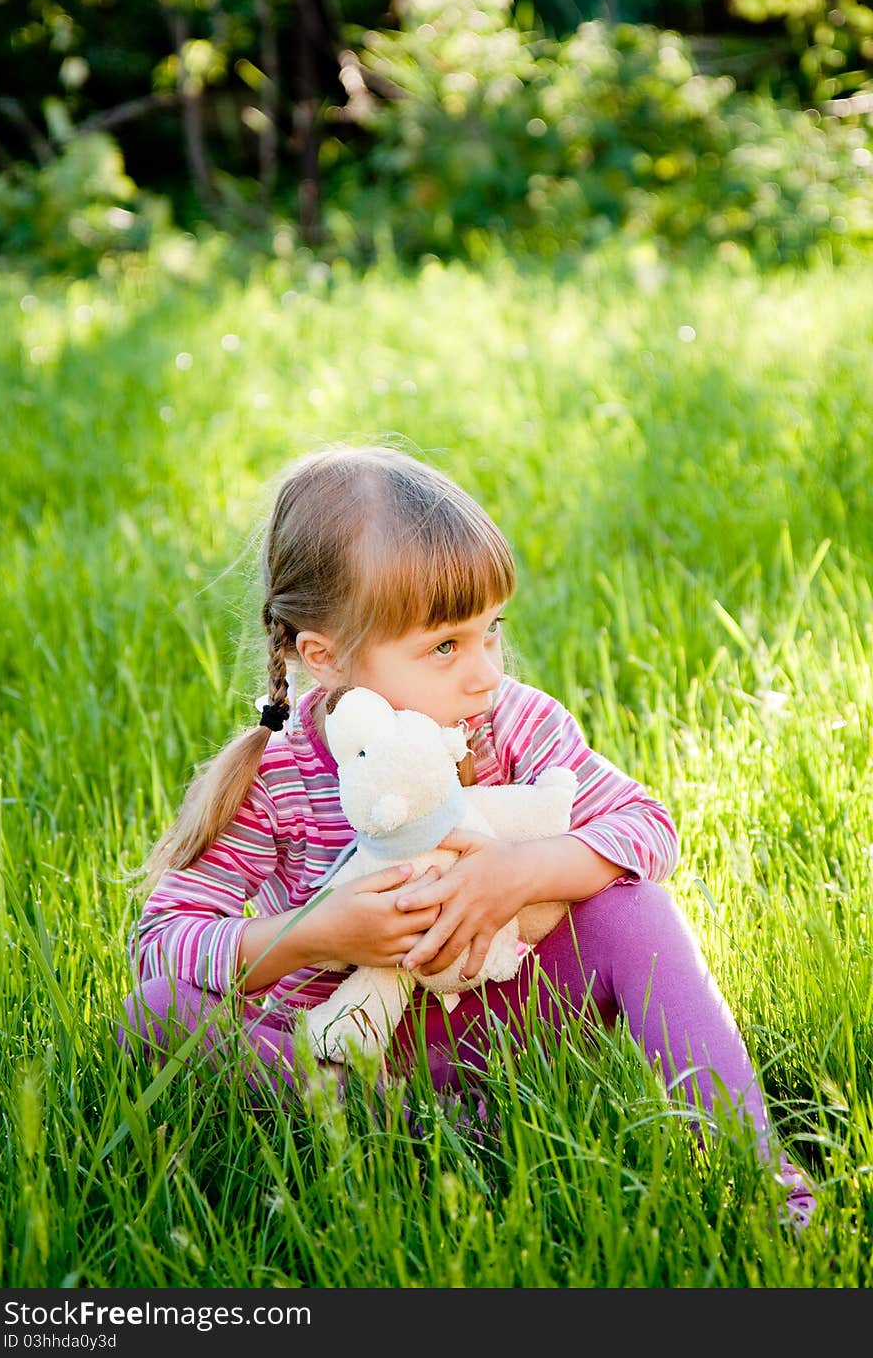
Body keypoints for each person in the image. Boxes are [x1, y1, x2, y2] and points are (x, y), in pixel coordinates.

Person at [121, 442, 816, 1228]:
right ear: (328, 659)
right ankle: (401, 1130)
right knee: (154, 1011)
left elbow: (647, 827)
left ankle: (758, 1177)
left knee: (634, 908)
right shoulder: (279, 776)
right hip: (345, 1051)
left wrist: (517, 873)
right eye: (446, 646)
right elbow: (165, 938)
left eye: (491, 630)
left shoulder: (513, 719)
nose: (485, 669)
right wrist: (318, 935)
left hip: (496, 1033)